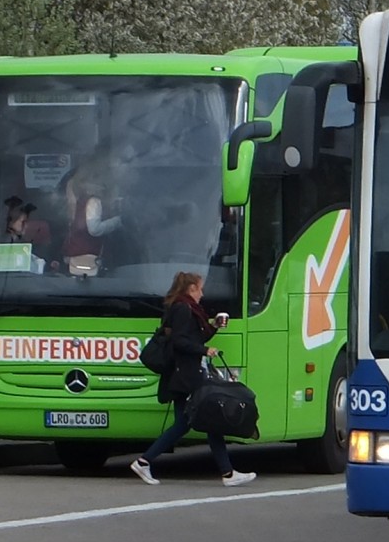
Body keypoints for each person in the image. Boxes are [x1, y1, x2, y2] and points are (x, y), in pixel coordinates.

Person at [129, 271, 255, 487]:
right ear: (191, 289)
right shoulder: (182, 309)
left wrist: (213, 326)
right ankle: (227, 473)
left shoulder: (184, 308)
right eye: (200, 288)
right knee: (207, 417)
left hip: (183, 375)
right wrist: (205, 350)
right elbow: (180, 342)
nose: (202, 294)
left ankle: (145, 461)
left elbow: (191, 337)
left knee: (190, 422)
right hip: (186, 376)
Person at [60, 165, 123, 274]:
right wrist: (116, 222)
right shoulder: (93, 202)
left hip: (76, 259)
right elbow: (94, 229)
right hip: (89, 259)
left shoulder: (81, 203)